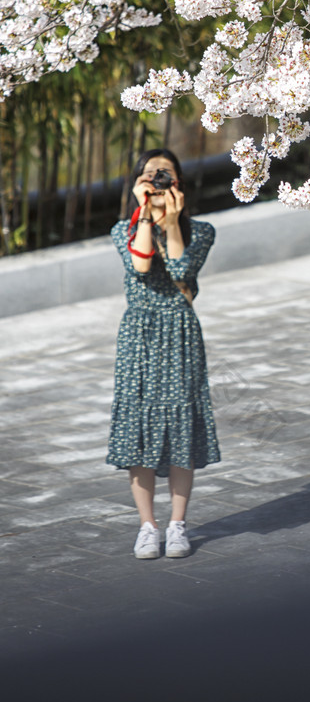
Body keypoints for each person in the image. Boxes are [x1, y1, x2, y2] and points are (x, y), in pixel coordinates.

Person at [107, 148, 220, 559]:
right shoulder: (123, 229)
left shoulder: (202, 231)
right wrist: (144, 214)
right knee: (138, 430)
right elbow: (140, 266)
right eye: (151, 175)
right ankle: (147, 527)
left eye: (166, 175)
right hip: (138, 334)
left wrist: (171, 222)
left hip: (179, 333)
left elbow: (180, 271)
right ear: (137, 183)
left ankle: (177, 524)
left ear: (180, 185)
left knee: (180, 428)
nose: (158, 182)